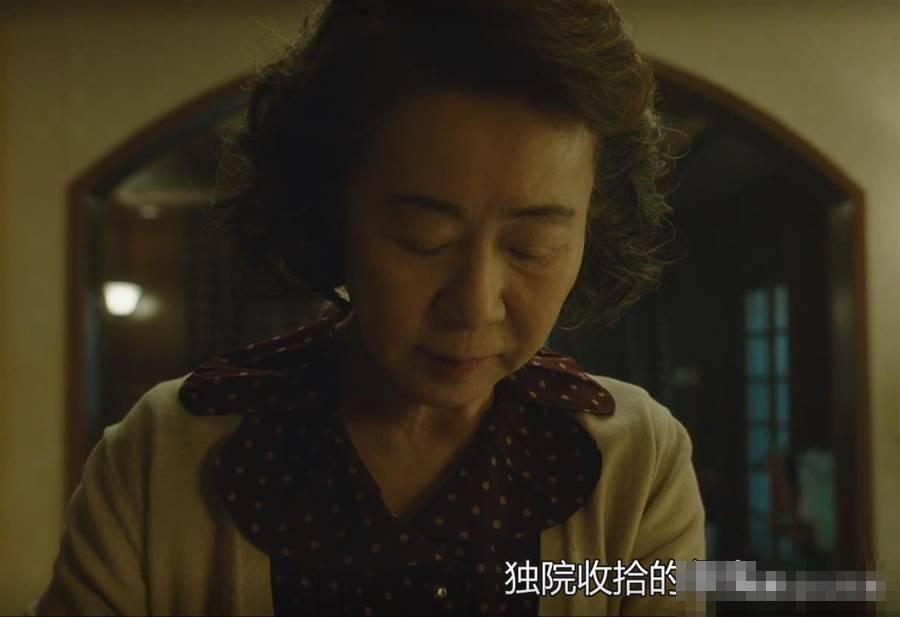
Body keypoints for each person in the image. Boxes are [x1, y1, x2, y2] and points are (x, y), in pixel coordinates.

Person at [34, 0, 706, 614]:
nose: (474, 306)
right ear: (332, 215)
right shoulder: (166, 456)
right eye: (423, 240)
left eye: (533, 247)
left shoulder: (634, 462)